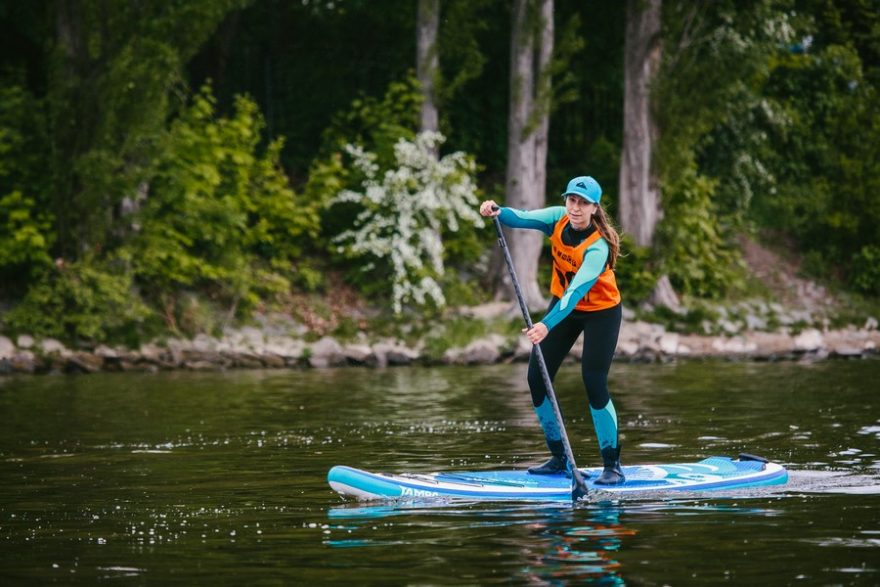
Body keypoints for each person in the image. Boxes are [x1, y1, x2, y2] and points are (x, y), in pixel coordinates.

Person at [479, 176, 625, 485]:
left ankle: (612, 465)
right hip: (564, 308)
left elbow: (575, 292)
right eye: (571, 200)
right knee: (536, 379)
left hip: (600, 313)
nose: (575, 207)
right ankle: (560, 458)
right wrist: (497, 211)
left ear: (595, 208)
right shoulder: (558, 219)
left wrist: (545, 324)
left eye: (583, 203)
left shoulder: (597, 248)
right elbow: (523, 217)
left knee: (594, 381)